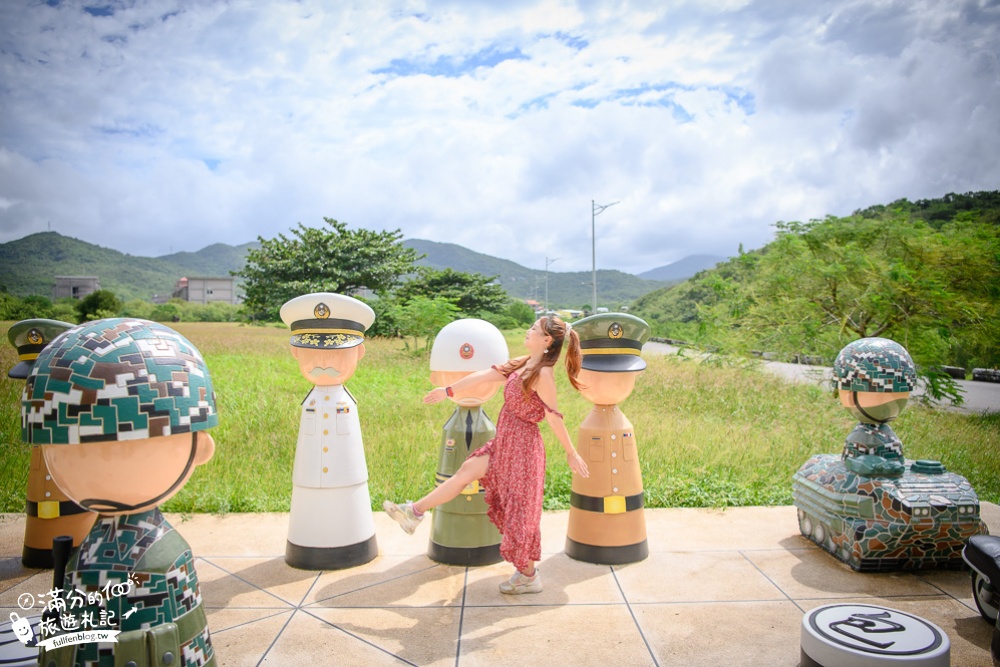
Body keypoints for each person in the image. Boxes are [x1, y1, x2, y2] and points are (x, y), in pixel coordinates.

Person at [384, 315, 590, 595]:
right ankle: (415, 512)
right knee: (465, 473)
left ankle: (529, 575)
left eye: (534, 329)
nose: (528, 331)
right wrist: (448, 390)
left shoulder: (543, 374)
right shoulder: (523, 363)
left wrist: (571, 452)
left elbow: (553, 417)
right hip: (505, 442)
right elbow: (485, 375)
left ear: (546, 341)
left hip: (523, 449)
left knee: (520, 513)